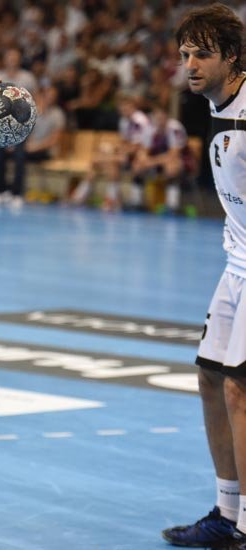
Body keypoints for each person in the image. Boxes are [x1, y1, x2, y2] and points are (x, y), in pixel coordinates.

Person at [162, 4, 246, 549]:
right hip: (236, 265)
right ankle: (226, 511)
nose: (190, 65)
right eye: (185, 54)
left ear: (232, 57)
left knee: (240, 388)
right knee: (211, 379)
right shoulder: (214, 106)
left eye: (202, 54)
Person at [69, 94, 150, 211]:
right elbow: (125, 142)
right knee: (104, 163)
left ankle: (81, 195)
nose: (123, 109)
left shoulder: (139, 120)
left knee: (101, 160)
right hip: (128, 154)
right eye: (121, 107)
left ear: (133, 106)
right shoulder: (124, 121)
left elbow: (138, 146)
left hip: (141, 155)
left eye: (126, 106)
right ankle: (110, 199)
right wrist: (114, 148)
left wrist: (115, 150)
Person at [0, 47, 39, 210]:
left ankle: (16, 193)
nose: (12, 60)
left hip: (21, 126)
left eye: (15, 57)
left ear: (19, 60)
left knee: (20, 156)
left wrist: (29, 126)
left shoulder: (28, 78)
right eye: (10, 57)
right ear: (4, 59)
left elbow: (35, 101)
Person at [130, 105, 192, 213]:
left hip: (181, 162)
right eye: (157, 116)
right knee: (137, 165)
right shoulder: (150, 128)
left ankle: (172, 205)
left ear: (167, 116)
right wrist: (142, 158)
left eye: (161, 116)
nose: (159, 119)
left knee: (171, 166)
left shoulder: (175, 128)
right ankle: (136, 202)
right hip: (157, 162)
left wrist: (151, 162)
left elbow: (173, 154)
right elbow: (144, 149)